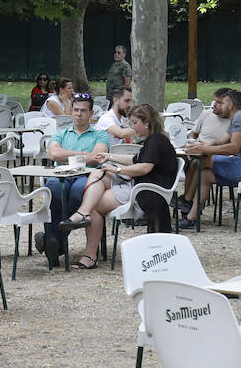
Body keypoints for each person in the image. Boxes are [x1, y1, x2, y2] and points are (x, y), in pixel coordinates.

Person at [60, 104, 178, 269]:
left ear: (147, 122)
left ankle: (89, 253)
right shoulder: (155, 139)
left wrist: (117, 169)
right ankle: (83, 213)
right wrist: (108, 157)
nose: (131, 127)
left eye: (134, 122)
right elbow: (136, 160)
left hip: (146, 191)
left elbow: (144, 168)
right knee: (97, 173)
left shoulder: (156, 141)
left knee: (95, 205)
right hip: (138, 183)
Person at [175, 88, 241, 230]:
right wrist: (204, 145)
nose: (216, 105)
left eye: (221, 103)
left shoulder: (240, 118)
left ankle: (186, 200)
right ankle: (191, 218)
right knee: (204, 175)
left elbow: (233, 148)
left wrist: (204, 150)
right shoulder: (237, 118)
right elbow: (222, 141)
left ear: (230, 105)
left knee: (200, 161)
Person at [34, 94, 110, 257]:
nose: (78, 114)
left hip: (88, 176)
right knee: (53, 190)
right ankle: (55, 243)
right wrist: (83, 155)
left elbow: (97, 156)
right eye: (75, 110)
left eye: (83, 110)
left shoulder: (100, 135)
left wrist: (67, 154)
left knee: (78, 192)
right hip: (61, 174)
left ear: (91, 113)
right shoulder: (60, 133)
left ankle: (51, 240)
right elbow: (54, 154)